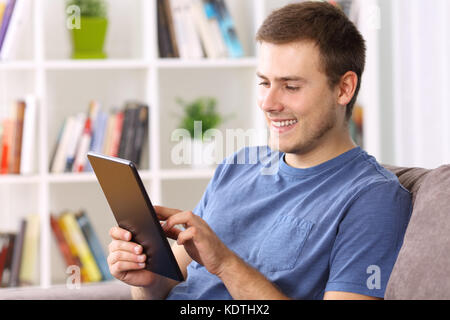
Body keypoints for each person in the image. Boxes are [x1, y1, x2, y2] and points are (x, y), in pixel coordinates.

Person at [106, 2, 412, 300]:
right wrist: (146, 280)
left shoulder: (373, 198)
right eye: (264, 83)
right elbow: (167, 287)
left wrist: (226, 264)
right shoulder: (236, 167)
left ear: (344, 88)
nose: (268, 103)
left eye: (290, 86)